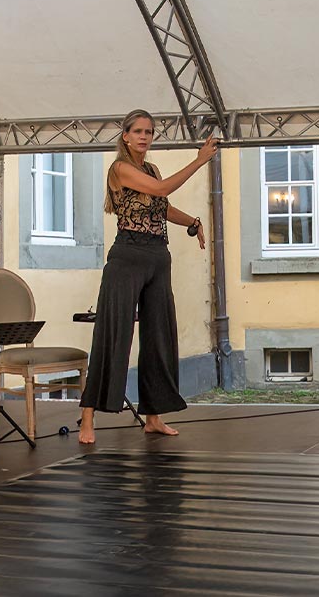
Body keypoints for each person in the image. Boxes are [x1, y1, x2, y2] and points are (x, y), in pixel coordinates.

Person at [78, 109, 218, 444]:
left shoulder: (150, 169)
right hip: (127, 256)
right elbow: (161, 188)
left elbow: (162, 205)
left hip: (158, 257)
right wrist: (199, 161)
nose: (144, 136)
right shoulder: (120, 169)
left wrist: (192, 222)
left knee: (159, 337)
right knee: (113, 336)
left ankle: (153, 417)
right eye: (138, 131)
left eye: (149, 132)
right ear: (125, 136)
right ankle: (87, 419)